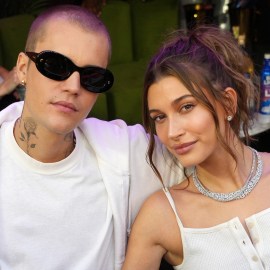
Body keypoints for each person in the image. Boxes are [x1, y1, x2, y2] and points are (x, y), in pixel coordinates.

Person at [0, 5, 183, 270]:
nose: (73, 86)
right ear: (23, 68)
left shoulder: (123, 152)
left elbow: (211, 165)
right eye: (55, 65)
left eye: (92, 77)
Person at [122, 25, 270, 270]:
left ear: (228, 103)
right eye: (160, 117)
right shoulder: (162, 216)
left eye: (186, 107)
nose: (172, 132)